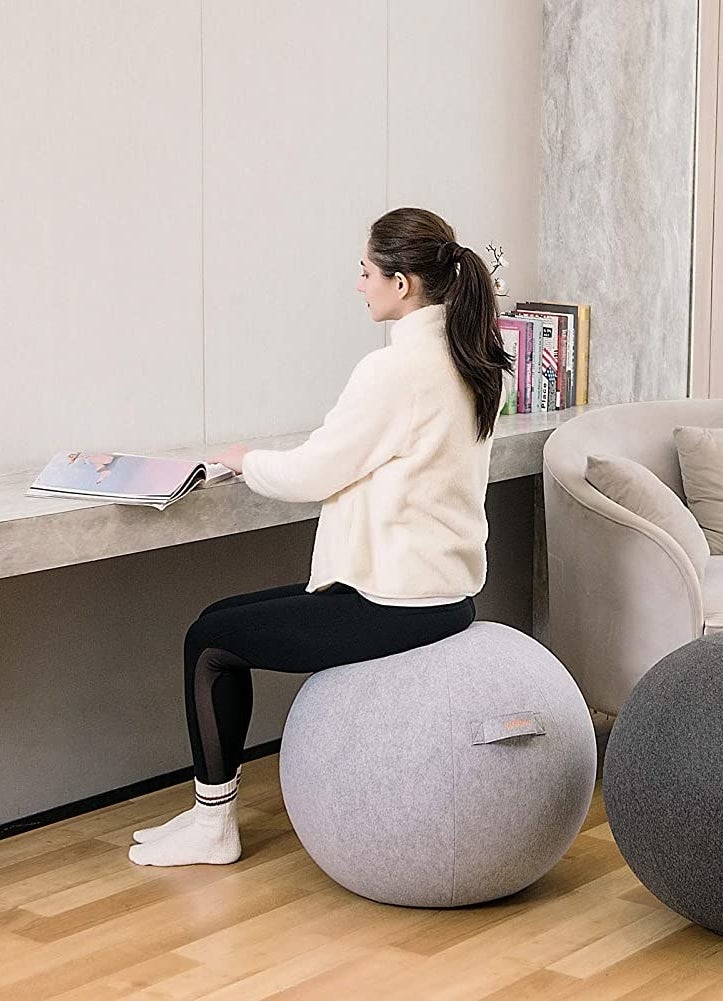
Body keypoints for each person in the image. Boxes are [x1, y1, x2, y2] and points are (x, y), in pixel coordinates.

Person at [128, 207, 512, 867]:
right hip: (446, 593)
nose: (358, 284)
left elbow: (311, 473)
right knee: (220, 619)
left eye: (366, 271)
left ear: (401, 284)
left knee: (209, 643)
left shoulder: (395, 370)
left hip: (389, 603)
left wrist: (246, 460)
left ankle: (213, 826)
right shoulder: (477, 359)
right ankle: (205, 815)